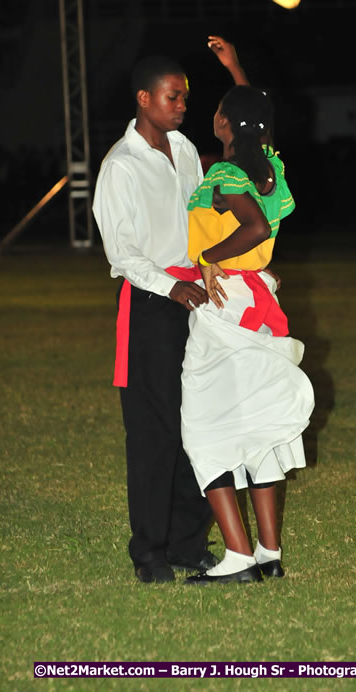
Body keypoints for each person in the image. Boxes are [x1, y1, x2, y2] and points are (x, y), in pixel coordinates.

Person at [165, 82, 314, 585]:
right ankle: (268, 553)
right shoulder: (268, 168)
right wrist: (233, 69)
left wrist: (207, 259)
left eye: (220, 110)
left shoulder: (225, 174)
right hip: (260, 302)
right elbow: (257, 118)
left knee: (203, 429)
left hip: (226, 301)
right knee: (255, 426)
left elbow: (254, 228)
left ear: (224, 123)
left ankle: (238, 557)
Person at [92, 55, 219, 583]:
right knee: (153, 432)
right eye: (173, 97)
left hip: (195, 299)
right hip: (152, 304)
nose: (183, 106)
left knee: (198, 424)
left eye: (186, 96)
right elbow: (121, 253)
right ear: (144, 99)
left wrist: (212, 271)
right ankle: (150, 552)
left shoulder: (187, 149)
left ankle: (190, 543)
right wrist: (172, 286)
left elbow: (201, 220)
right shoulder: (121, 164)